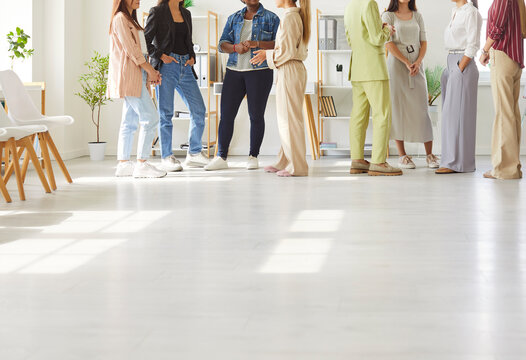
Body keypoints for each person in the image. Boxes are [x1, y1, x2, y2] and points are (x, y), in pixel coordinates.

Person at [205, 0, 280, 172]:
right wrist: (235, 47)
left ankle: (253, 156)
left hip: (260, 72)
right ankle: (221, 156)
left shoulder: (272, 18)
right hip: (233, 72)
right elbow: (221, 44)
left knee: (256, 115)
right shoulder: (233, 18)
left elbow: (280, 44)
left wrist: (257, 43)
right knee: (227, 116)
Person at [145, 0, 209, 172]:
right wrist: (161, 56)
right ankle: (166, 156)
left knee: (199, 110)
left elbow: (188, 39)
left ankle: (194, 153)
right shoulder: (157, 12)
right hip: (167, 66)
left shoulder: (186, 13)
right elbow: (145, 39)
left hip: (186, 66)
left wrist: (193, 56)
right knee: (165, 113)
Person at [250, 0, 310, 177]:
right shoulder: (291, 16)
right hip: (288, 69)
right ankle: (285, 160)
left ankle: (297, 166)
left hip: (289, 68)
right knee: (287, 118)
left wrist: (266, 54)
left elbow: (288, 51)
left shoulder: (291, 17)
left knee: (289, 120)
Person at [108, 0, 167, 178]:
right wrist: (151, 71)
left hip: (138, 73)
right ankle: (142, 163)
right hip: (131, 74)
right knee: (151, 117)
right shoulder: (119, 19)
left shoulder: (132, 20)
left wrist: (150, 73)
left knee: (129, 120)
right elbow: (132, 50)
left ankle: (124, 163)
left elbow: (143, 52)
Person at [345, 0, 402, 176]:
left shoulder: (350, 6)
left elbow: (351, 38)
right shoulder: (369, 3)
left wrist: (379, 26)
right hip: (374, 69)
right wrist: (388, 30)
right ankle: (378, 162)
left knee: (358, 116)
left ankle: (357, 160)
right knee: (382, 114)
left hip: (357, 69)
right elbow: (377, 38)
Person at [382, 0, 439, 170]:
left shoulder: (418, 16)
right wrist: (406, 62)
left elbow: (424, 42)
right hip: (397, 66)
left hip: (417, 65)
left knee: (422, 109)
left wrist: (418, 62)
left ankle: (430, 155)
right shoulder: (388, 15)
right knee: (398, 109)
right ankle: (402, 156)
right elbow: (389, 43)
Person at [480, 0, 525, 180]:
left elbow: (497, 27)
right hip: (515, 58)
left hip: (502, 55)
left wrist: (484, 50)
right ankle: (513, 168)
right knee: (512, 113)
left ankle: (504, 169)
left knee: (503, 114)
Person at [436, 0, 482, 174]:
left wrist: (460, 67)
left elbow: (473, 44)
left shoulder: (471, 12)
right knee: (450, 116)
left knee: (458, 116)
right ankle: (452, 161)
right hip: (452, 62)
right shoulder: (455, 11)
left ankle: (455, 163)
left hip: (462, 63)